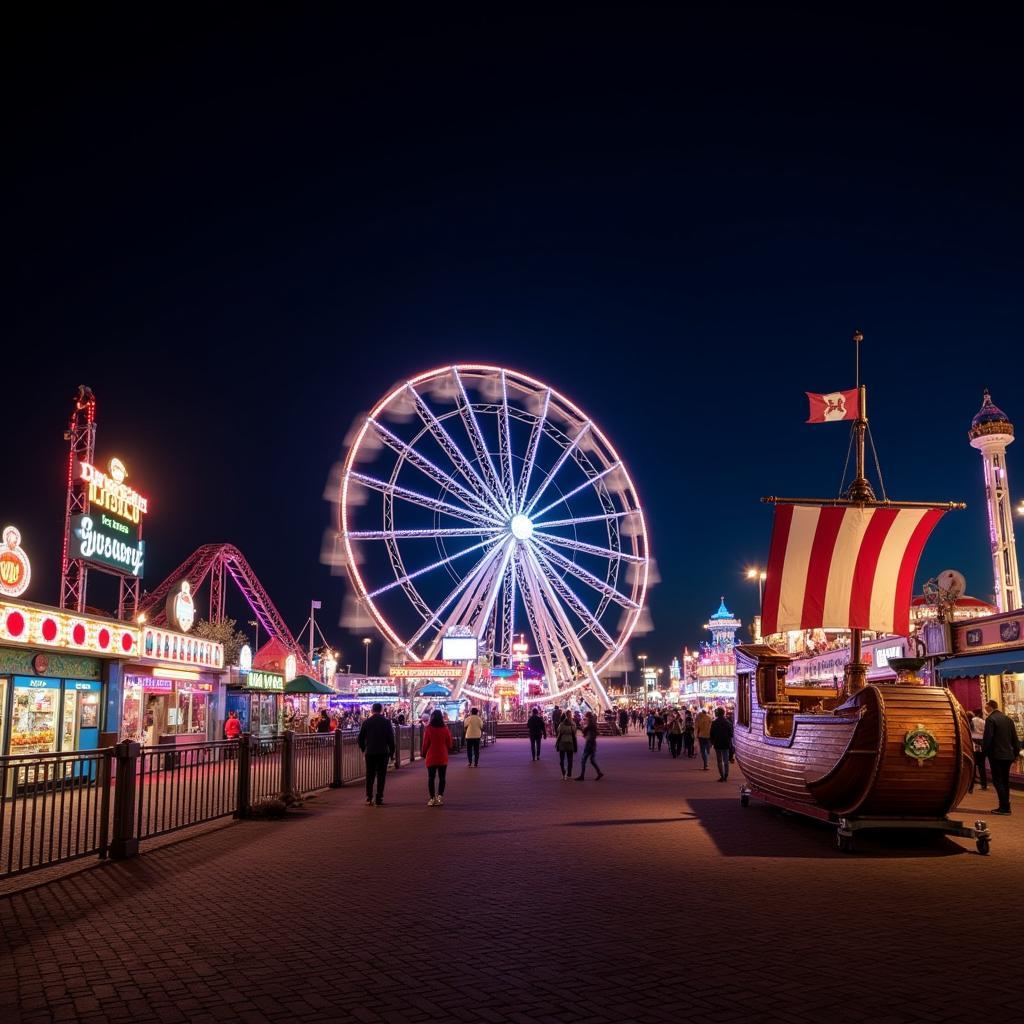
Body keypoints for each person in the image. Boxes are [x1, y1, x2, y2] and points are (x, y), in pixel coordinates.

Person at [982, 699, 1021, 815]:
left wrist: (985, 752)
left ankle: (1004, 807)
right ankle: (1006, 805)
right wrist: (1016, 753)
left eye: (986, 706)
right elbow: (1015, 738)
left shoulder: (991, 719)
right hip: (1008, 755)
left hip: (996, 755)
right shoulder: (1008, 719)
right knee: (1005, 781)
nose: (985, 708)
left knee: (998, 781)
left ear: (990, 707)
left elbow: (988, 738)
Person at [357, 702, 396, 806]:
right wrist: (392, 753)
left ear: (372, 710)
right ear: (381, 710)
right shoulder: (386, 722)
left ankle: (369, 797)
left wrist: (364, 748)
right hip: (383, 752)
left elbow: (360, 738)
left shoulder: (366, 722)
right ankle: (379, 797)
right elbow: (390, 739)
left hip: (370, 752)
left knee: (370, 775)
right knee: (381, 775)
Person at [421, 709, 454, 806]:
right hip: (442, 755)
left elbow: (425, 743)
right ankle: (440, 797)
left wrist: (423, 753)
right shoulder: (445, 728)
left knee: (431, 778)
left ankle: (432, 798)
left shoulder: (429, 729)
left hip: (431, 756)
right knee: (442, 777)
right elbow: (449, 743)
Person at [576, 711, 604, 781]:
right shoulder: (593, 722)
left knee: (583, 760)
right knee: (592, 760)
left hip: (589, 743)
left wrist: (581, 728)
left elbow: (585, 730)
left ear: (588, 716)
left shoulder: (590, 723)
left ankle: (582, 776)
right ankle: (599, 772)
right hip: (593, 743)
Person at [709, 707, 734, 781]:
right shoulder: (728, 723)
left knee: (719, 761)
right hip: (726, 743)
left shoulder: (714, 723)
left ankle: (722, 776)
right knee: (726, 760)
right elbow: (731, 734)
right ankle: (726, 775)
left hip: (717, 744)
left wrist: (712, 742)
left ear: (717, 714)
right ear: (723, 713)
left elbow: (711, 734)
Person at [969, 708, 987, 793]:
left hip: (974, 742)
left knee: (973, 764)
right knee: (982, 765)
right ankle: (984, 784)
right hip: (982, 742)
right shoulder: (983, 721)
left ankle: (970, 785)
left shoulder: (973, 720)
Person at [555, 712, 578, 780]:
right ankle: (569, 774)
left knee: (562, 759)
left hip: (562, 742)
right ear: (570, 716)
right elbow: (575, 731)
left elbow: (559, 730)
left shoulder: (562, 724)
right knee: (570, 759)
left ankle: (563, 773)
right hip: (570, 742)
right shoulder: (573, 724)